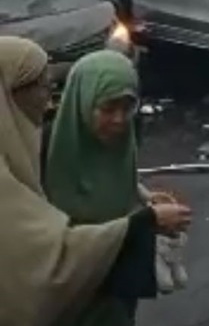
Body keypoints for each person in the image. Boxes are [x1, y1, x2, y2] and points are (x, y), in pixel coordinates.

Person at [0, 37, 191, 326]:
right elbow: (48, 255)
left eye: (127, 108)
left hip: (113, 296)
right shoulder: (34, 153)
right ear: (83, 100)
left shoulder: (120, 143)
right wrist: (145, 222)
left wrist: (143, 197)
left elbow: (118, 180)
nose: (119, 120)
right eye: (107, 108)